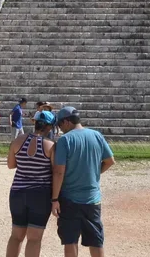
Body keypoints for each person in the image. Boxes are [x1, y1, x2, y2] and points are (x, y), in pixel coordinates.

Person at [51, 106, 114, 257]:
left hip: (69, 198)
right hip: (92, 199)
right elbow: (110, 161)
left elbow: (59, 172)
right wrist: (93, 173)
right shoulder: (96, 135)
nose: (60, 129)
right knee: (96, 240)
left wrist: (54, 199)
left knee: (70, 240)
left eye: (59, 125)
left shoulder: (65, 140)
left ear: (66, 122)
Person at [7, 110, 57, 257]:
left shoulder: (18, 140)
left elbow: (11, 165)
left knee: (16, 235)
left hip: (17, 192)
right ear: (49, 127)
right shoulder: (50, 145)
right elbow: (56, 172)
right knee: (34, 238)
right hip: (40, 194)